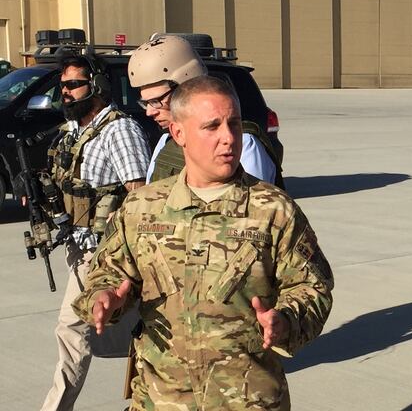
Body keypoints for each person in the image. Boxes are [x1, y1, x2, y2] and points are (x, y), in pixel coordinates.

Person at [71, 76, 334, 410]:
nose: (228, 138)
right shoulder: (142, 208)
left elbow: (313, 287)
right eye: (212, 126)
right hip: (161, 399)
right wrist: (104, 299)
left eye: (234, 124)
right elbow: (107, 273)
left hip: (247, 400)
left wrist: (285, 320)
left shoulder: (273, 209)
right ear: (179, 134)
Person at [41, 54, 151, 410]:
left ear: (98, 86)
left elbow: (140, 197)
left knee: (72, 329)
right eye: (63, 87)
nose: (66, 93)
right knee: (135, 330)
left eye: (73, 85)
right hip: (78, 246)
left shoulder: (119, 131)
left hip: (104, 252)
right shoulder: (75, 131)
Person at [127, 34, 281, 186]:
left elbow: (255, 207)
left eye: (156, 101)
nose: (149, 112)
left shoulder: (241, 144)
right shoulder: (166, 143)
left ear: (186, 86)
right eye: (145, 102)